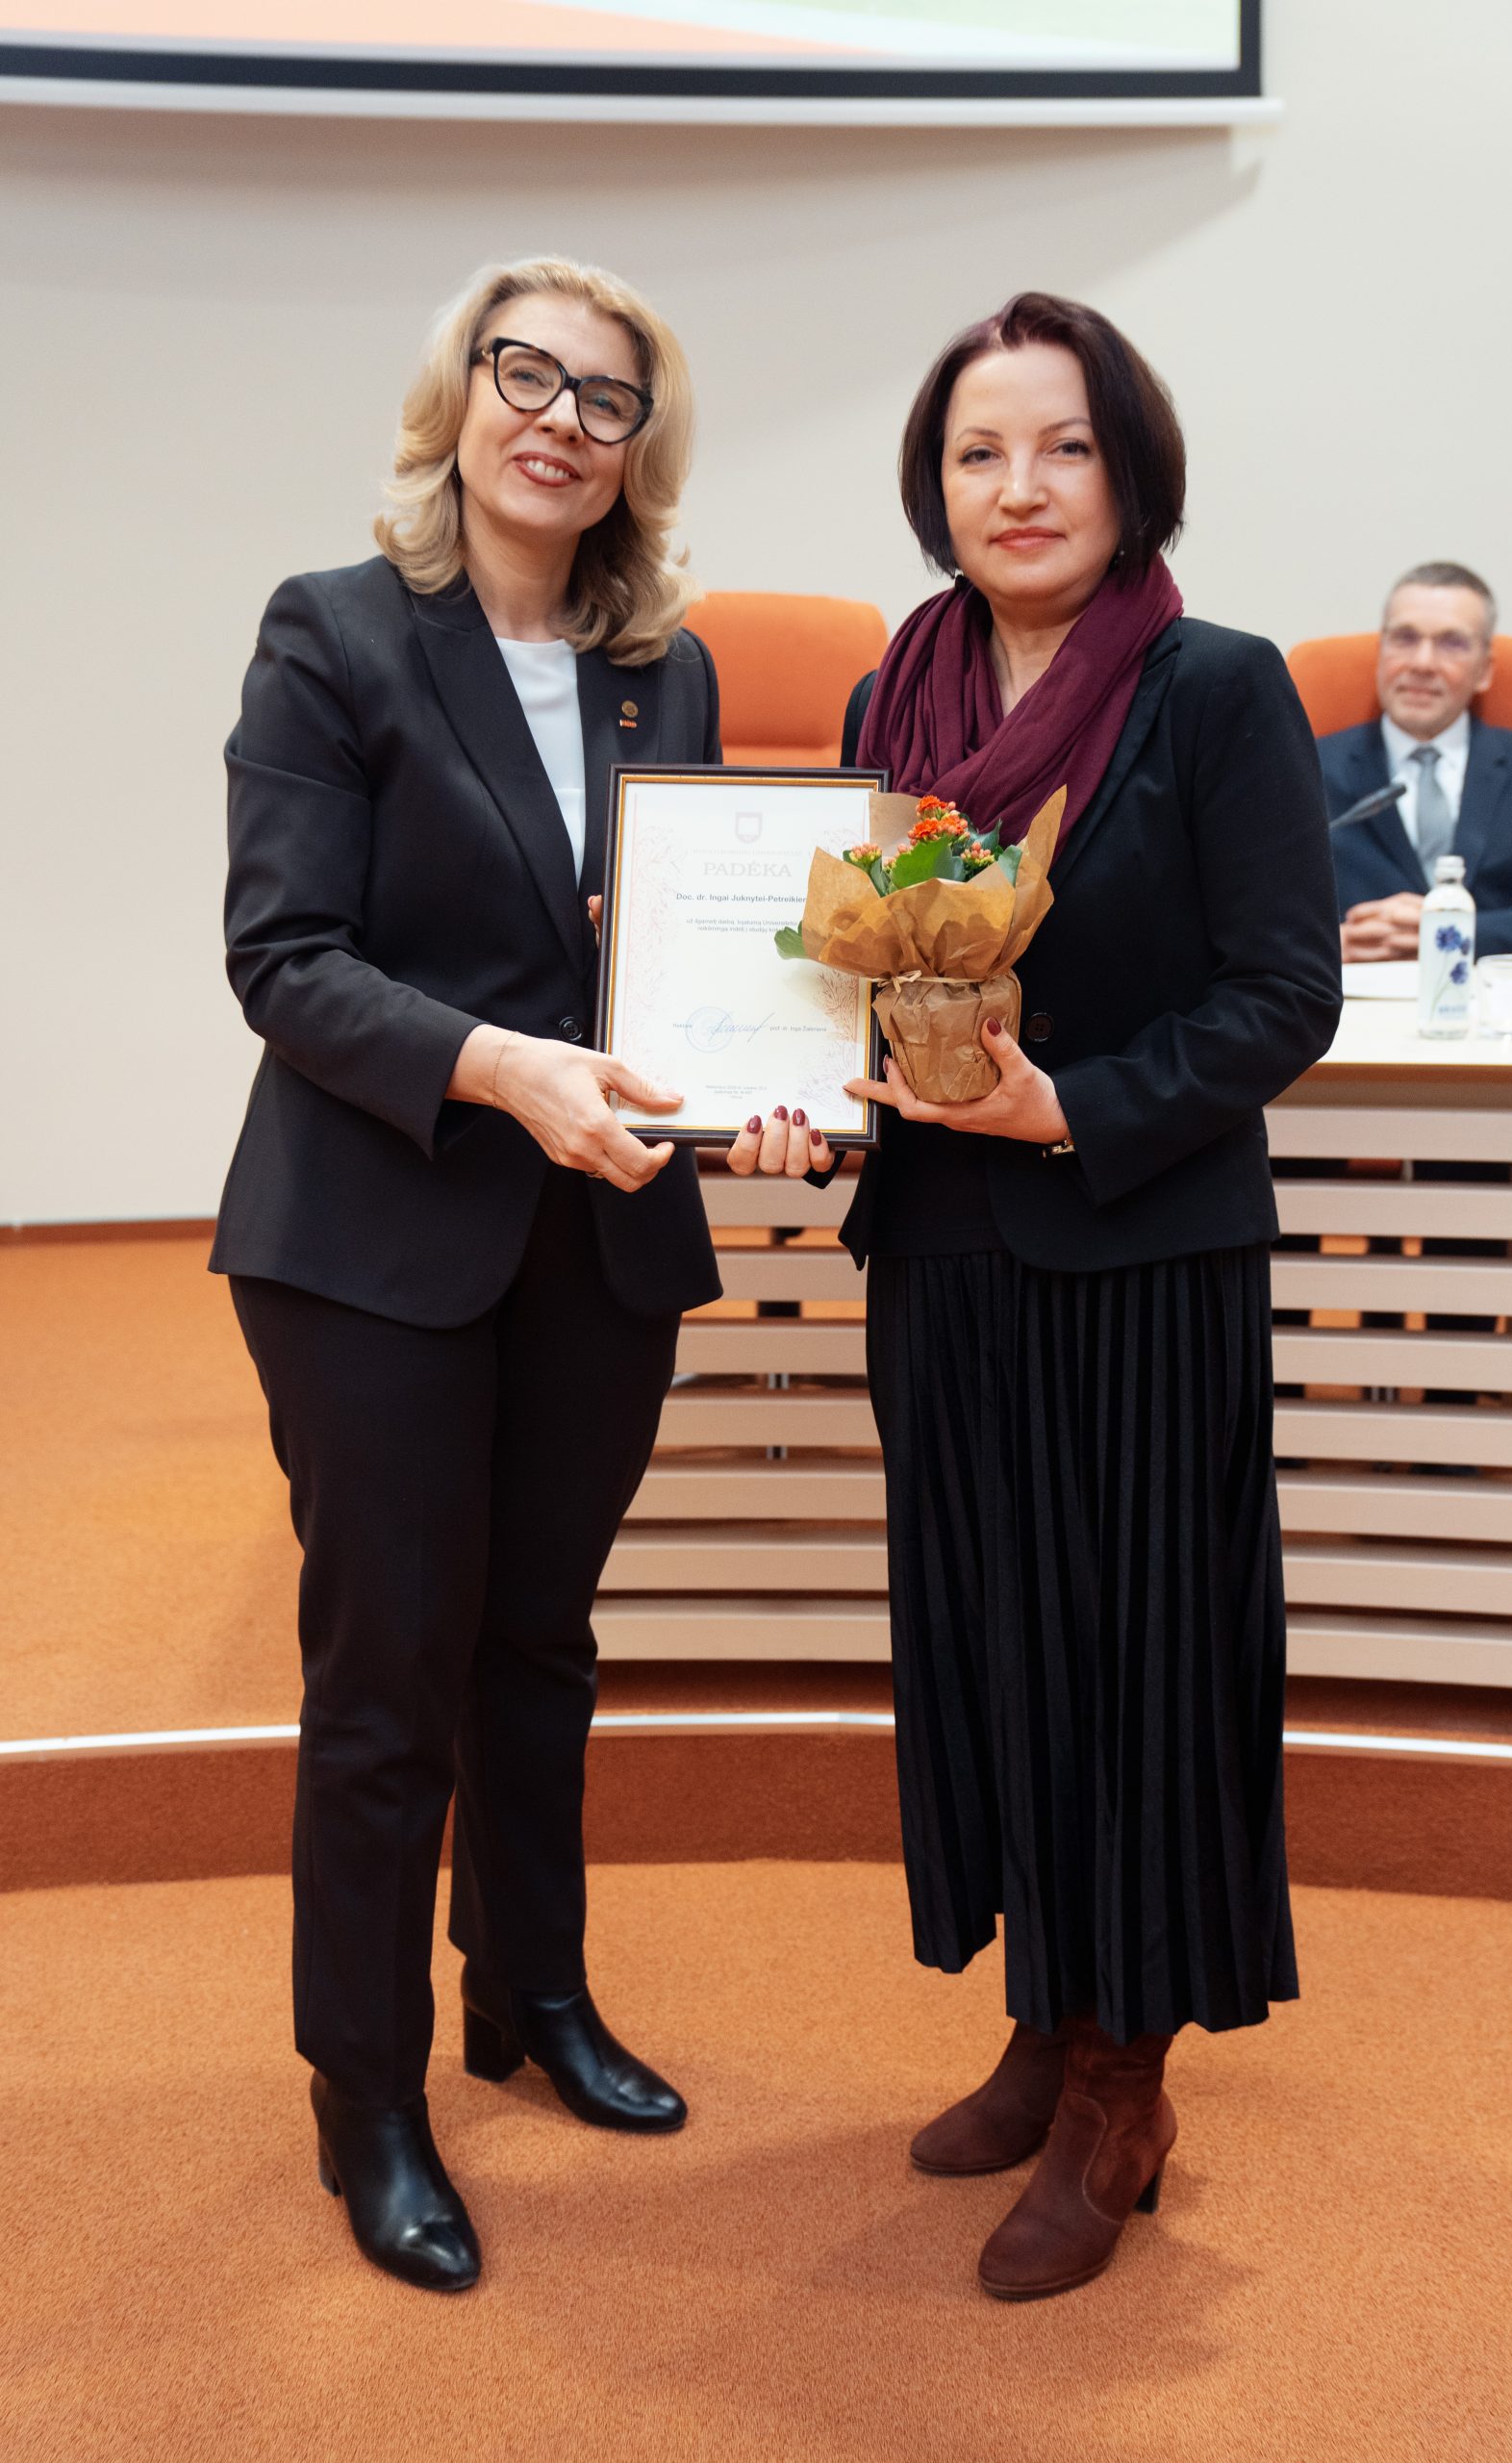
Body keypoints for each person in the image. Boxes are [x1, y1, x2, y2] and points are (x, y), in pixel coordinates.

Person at [729, 292, 1341, 2300]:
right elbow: (845, 981)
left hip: (1138, 1251)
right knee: (993, 1648)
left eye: (1063, 445)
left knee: (1138, 1657)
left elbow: (1285, 995)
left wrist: (1074, 1104)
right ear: (934, 485)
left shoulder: (1215, 686)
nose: (1020, 485)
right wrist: (776, 1096)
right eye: (978, 451)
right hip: (942, 1256)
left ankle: (1119, 2081)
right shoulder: (891, 696)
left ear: (1129, 468)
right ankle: (1042, 2006)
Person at [211, 256, 723, 2294]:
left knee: (541, 1644)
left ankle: (531, 1989)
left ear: (638, 451)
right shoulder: (333, 633)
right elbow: (284, 958)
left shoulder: (664, 669)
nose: (560, 421)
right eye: (527, 373)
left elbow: (680, 964)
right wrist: (500, 1067)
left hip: (600, 1231)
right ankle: (369, 2091)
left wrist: (749, 1097)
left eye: (607, 398)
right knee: (388, 1682)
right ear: (460, 395)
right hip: (377, 1237)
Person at [1323, 562, 1512, 963]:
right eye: (1405, 638)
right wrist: (1322, 945)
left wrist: (1454, 932)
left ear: (1484, 669)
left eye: (1452, 643)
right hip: (1350, 994)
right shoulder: (1305, 767)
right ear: (1380, 653)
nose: (1422, 663)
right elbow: (1257, 905)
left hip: (1491, 993)